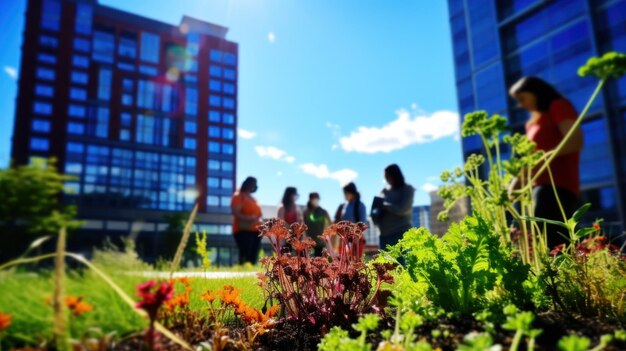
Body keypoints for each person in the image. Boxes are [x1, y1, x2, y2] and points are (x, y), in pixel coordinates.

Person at [509, 76, 583, 249]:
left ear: (536, 92)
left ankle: (564, 275)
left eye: (522, 98)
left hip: (557, 184)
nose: (521, 104)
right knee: (535, 239)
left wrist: (539, 161)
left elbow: (574, 140)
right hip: (537, 186)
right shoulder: (532, 122)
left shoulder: (558, 105)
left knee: (554, 240)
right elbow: (530, 157)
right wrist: (518, 180)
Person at [378, 164, 414, 249]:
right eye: (385, 176)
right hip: (384, 235)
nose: (386, 178)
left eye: (388, 176)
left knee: (400, 262)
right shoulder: (384, 191)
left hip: (400, 233)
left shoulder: (407, 189)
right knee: (384, 262)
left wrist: (385, 206)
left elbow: (404, 209)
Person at [230, 177, 263, 265]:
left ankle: (250, 272)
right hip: (243, 230)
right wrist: (248, 218)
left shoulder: (254, 199)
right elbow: (235, 212)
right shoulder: (238, 196)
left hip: (256, 230)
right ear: (247, 184)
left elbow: (259, 214)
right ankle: (243, 270)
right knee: (245, 254)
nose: (255, 186)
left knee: (253, 254)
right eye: (253, 183)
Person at [340, 182, 368, 258]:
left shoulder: (360, 205)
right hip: (346, 239)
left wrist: (356, 237)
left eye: (345, 193)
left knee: (355, 262)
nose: (344, 195)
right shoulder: (345, 206)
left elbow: (362, 223)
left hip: (356, 239)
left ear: (351, 193)